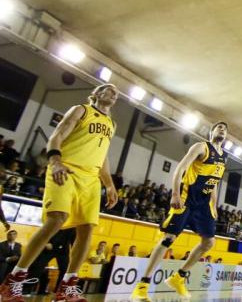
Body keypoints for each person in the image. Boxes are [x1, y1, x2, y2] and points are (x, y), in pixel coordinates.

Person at [0, 84, 120, 302]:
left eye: (116, 92)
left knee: (87, 229)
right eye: (108, 89)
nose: (114, 93)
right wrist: (55, 162)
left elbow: (103, 156)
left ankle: (68, 286)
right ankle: (14, 279)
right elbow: (57, 136)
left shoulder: (112, 123)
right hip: (66, 168)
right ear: (95, 94)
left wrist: (110, 184)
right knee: (57, 219)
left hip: (91, 179)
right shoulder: (80, 110)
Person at [130, 122, 228, 301]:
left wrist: (214, 205)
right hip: (186, 199)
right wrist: (175, 193)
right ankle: (142, 285)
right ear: (212, 131)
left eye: (224, 129)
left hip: (203, 205)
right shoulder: (201, 147)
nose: (222, 129)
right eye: (219, 127)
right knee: (168, 239)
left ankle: (178, 278)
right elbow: (180, 168)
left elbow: (214, 182)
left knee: (209, 243)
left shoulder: (225, 157)